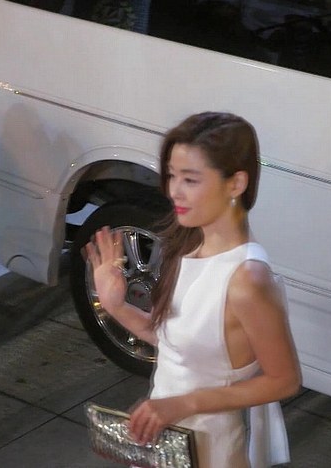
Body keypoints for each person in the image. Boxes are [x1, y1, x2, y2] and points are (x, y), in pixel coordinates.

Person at [85, 111, 301, 468]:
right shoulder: (190, 248)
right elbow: (175, 345)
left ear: (236, 183)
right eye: (172, 176)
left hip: (212, 451)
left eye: (190, 179)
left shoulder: (247, 279)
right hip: (166, 446)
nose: (174, 191)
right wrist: (116, 305)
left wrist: (185, 404)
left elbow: (284, 380)